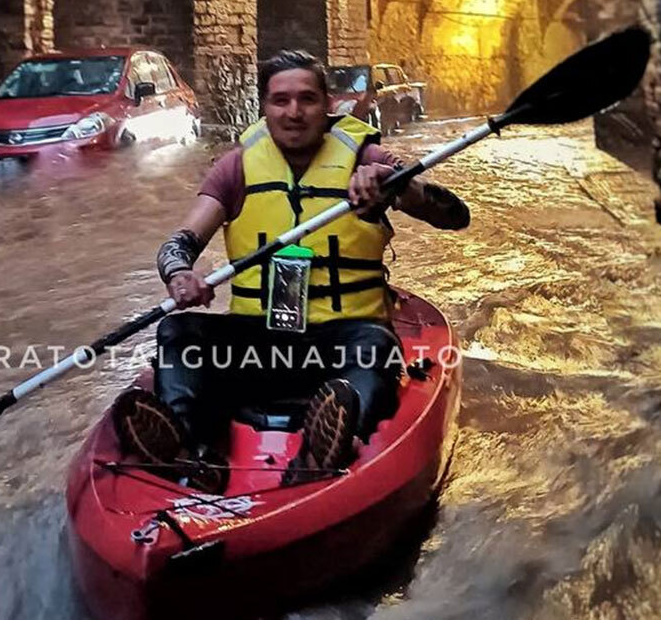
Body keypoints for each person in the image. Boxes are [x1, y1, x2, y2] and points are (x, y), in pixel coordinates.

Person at [112, 50, 469, 491]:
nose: (294, 112)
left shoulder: (369, 158)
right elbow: (178, 242)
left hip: (343, 343)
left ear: (327, 104)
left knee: (375, 344)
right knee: (179, 333)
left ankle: (326, 445)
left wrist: (399, 187)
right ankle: (188, 452)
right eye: (281, 100)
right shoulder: (236, 168)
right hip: (259, 346)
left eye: (307, 99)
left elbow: (455, 216)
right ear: (264, 106)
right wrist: (180, 274)